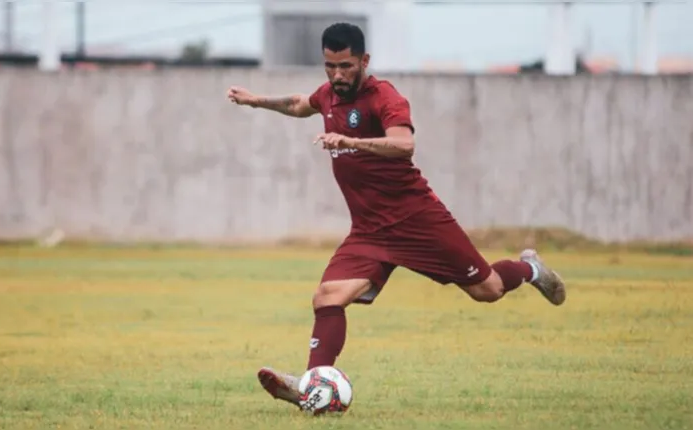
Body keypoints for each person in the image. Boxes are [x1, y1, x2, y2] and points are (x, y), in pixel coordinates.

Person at [226, 22, 566, 409]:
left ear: (364, 61)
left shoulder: (383, 96)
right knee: (327, 297)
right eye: (330, 66)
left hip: (417, 221)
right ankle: (311, 383)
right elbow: (300, 104)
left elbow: (404, 144)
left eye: (346, 66)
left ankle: (531, 269)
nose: (337, 75)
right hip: (369, 231)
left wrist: (352, 142)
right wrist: (256, 101)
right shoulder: (330, 95)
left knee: (486, 290)